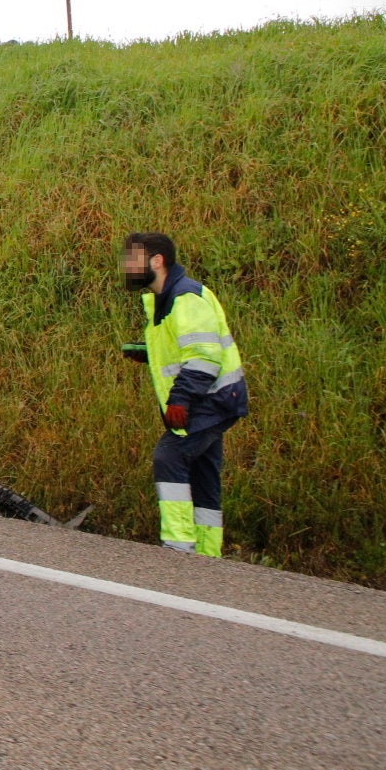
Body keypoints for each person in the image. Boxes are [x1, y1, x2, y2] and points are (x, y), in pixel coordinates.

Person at [119, 232, 249, 556]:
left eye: (132, 259)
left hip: (211, 399)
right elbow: (183, 349)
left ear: (157, 261)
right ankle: (208, 555)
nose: (126, 266)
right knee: (204, 473)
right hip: (212, 398)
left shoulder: (185, 297)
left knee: (170, 456)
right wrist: (147, 353)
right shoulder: (162, 300)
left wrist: (180, 400)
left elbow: (204, 358)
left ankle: (178, 549)